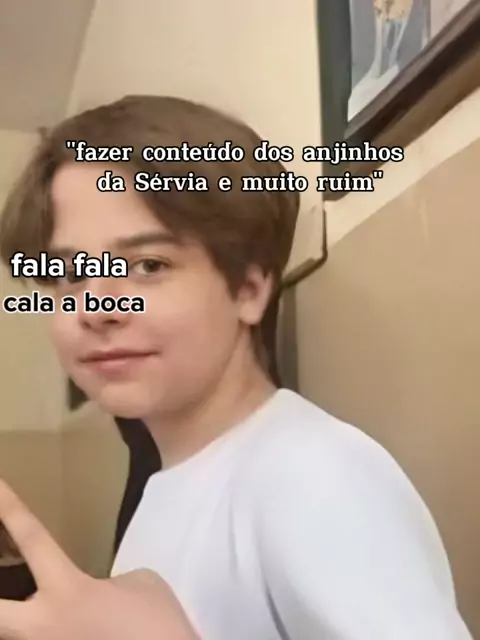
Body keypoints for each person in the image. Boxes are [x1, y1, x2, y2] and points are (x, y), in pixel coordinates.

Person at [0, 95, 472, 639]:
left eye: (148, 265)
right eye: (67, 274)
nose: (95, 307)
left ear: (249, 289)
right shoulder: (169, 485)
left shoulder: (309, 473)